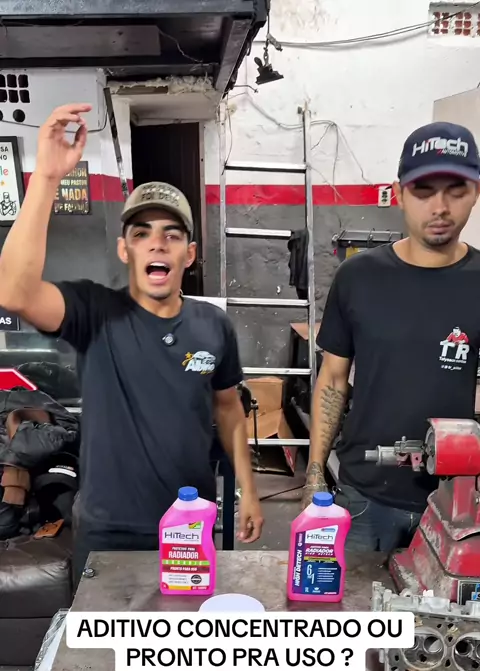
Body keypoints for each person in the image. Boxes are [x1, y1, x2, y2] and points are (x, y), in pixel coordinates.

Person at [0, 103, 264, 583]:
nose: (157, 243)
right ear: (125, 250)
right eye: (142, 234)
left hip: (189, 523)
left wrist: (247, 487)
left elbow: (228, 409)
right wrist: (47, 178)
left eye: (171, 234)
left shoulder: (213, 325)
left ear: (189, 254)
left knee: (187, 630)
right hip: (109, 529)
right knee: (106, 634)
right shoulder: (93, 311)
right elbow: (13, 292)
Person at [303, 120, 480, 553]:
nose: (440, 207)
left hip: (457, 503)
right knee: (356, 599)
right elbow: (333, 379)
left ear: (476, 192)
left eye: (456, 190)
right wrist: (314, 472)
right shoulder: (357, 277)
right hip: (365, 498)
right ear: (399, 193)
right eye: (423, 191)